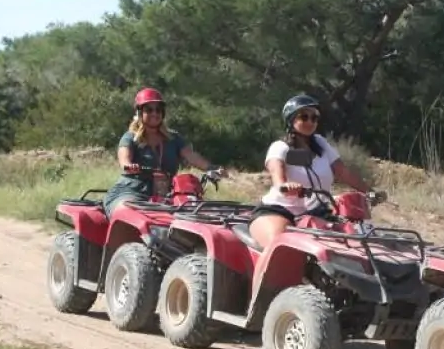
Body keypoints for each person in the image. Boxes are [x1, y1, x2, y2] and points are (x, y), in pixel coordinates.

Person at [247, 94, 374, 250]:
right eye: (304, 117)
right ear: (291, 119)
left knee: (352, 241)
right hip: (280, 211)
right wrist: (286, 186)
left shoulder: (320, 144)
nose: (310, 122)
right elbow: (277, 175)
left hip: (315, 212)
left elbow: (342, 172)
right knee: (280, 246)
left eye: (314, 118)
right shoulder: (280, 147)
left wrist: (369, 192)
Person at [102, 87, 228, 217]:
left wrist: (211, 168)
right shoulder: (130, 137)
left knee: (195, 215)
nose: (154, 113)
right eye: (149, 110)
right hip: (132, 191)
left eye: (158, 110)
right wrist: (129, 166)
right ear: (139, 113)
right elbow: (124, 159)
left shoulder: (174, 138)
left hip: (167, 193)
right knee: (131, 213)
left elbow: (191, 155)